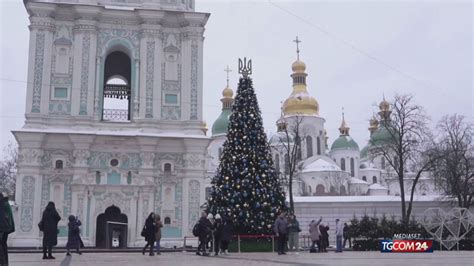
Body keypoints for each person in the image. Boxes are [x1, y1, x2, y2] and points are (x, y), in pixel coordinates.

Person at [0, 193, 13, 266]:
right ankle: (5, 263)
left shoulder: (2, 204)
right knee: (3, 245)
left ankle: (3, 262)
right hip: (5, 227)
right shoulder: (5, 204)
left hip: (1, 227)